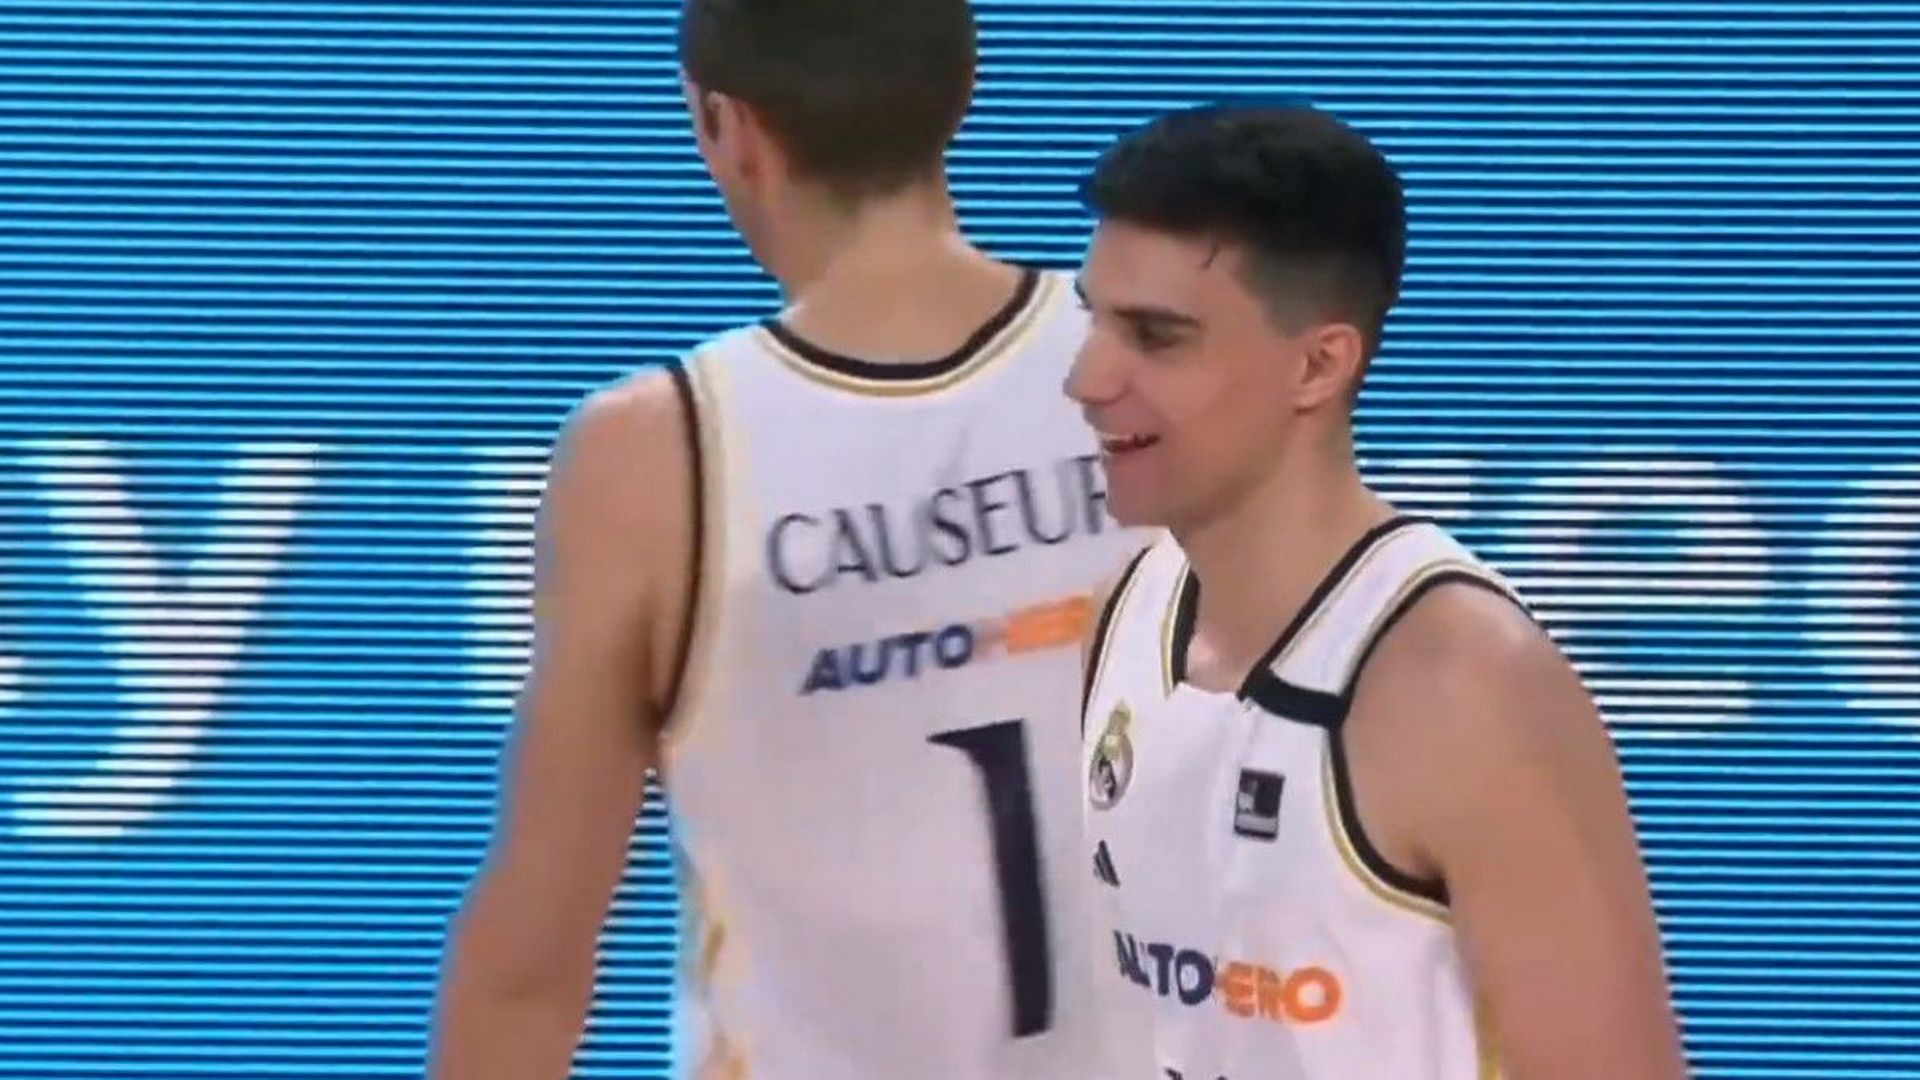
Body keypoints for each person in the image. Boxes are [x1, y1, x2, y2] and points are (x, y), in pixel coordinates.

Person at [429, 1, 1147, 1077]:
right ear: (964, 86)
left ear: (728, 126)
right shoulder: (1160, 369)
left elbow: (531, 970)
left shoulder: (653, 458)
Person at [1069, 102, 1691, 1080]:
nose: (1087, 378)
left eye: (1157, 336)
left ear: (1318, 365)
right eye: (1093, 320)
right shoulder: (1124, 616)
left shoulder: (1467, 689)